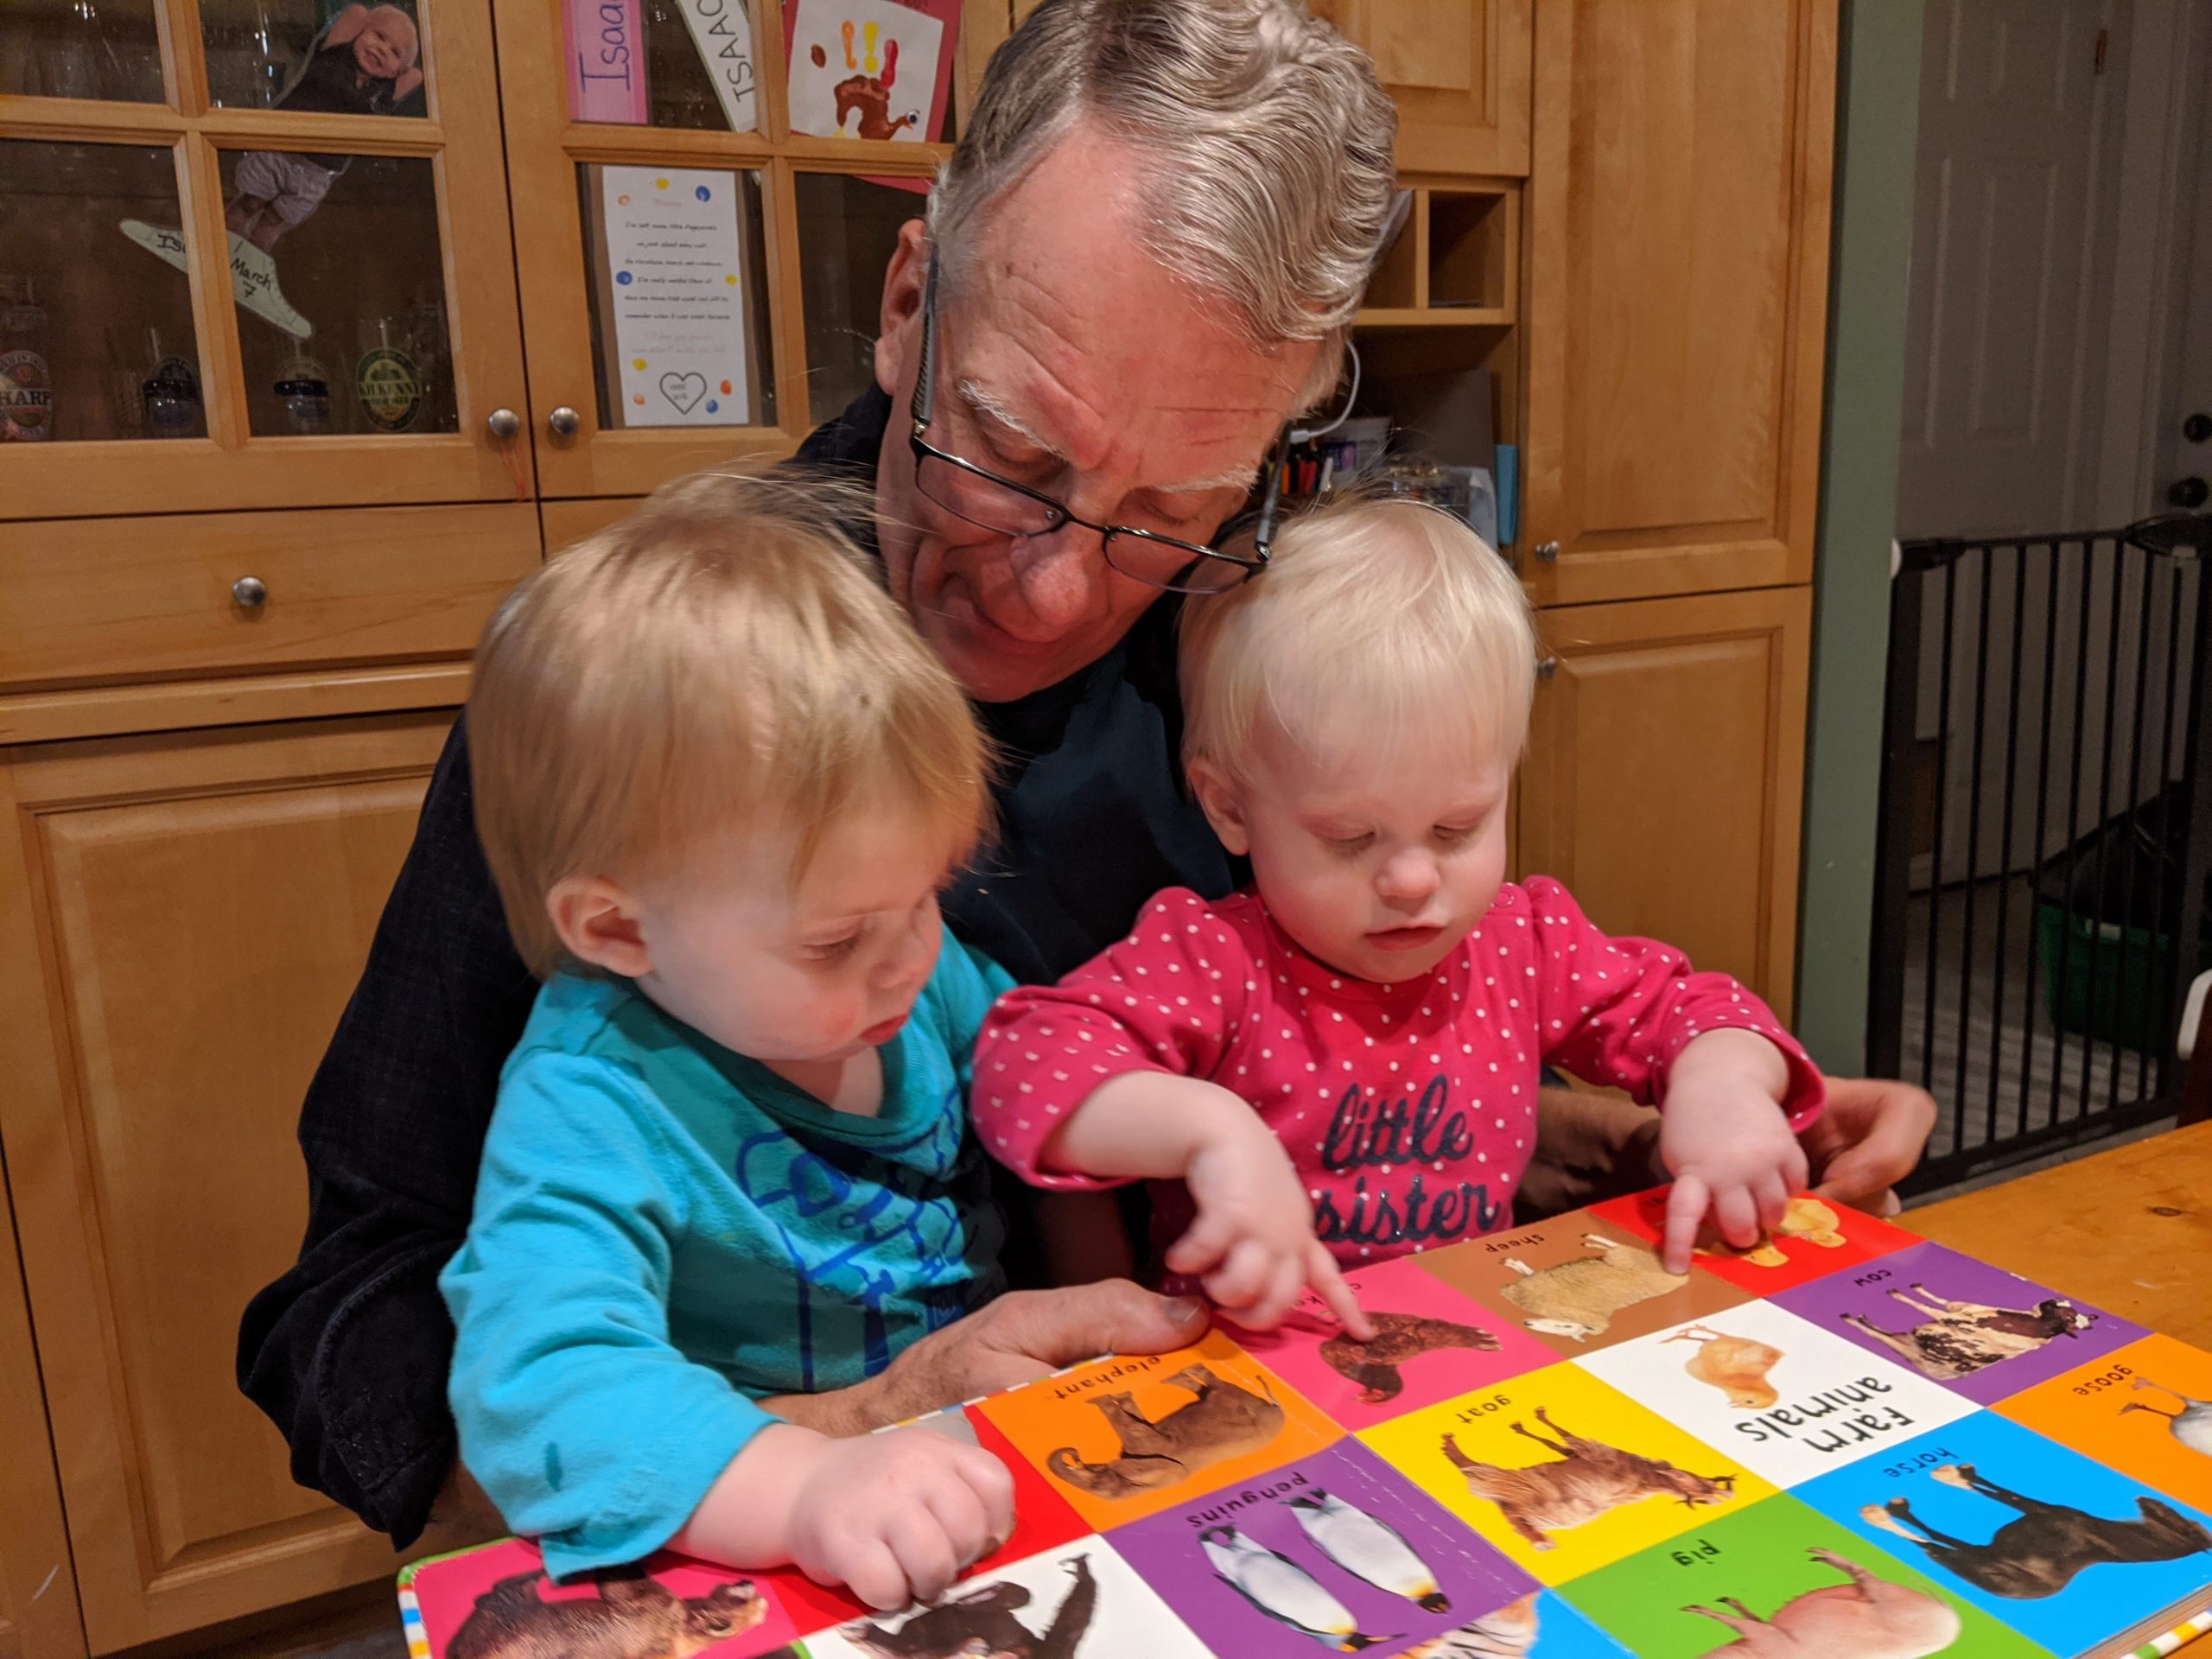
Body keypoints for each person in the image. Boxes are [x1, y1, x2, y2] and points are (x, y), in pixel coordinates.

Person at [238, 0, 1936, 1552]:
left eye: (1172, 514)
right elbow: (345, 1323)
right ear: (908, 305)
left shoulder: (1246, 661)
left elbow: (1304, 1041)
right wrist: (838, 1435)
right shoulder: (656, 707)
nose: (1056, 594)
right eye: (1009, 456)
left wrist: (1641, 1139)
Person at [976, 499, 1826, 1335]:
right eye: (1350, 837)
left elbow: (1695, 1009)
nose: (1415, 879)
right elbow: (1022, 1069)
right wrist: (1210, 1133)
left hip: (1473, 1344)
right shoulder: (1213, 958)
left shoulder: (1520, 941)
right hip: (1257, 1363)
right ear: (1228, 807)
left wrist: (1723, 1087)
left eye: (1458, 827)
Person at [441, 474, 1019, 1607]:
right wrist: (800, 1488)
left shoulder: (910, 962)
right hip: (746, 1522)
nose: (910, 958)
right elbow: (536, 1393)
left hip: (954, 1475)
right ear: (619, 930)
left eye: (929, 893)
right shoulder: (591, 1100)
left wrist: (1186, 1127)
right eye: (837, 939)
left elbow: (1035, 1065)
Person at [226, 4, 425, 251]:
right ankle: (220, 245)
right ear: (360, 31)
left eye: (394, 52)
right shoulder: (335, 53)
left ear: (398, 70)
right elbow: (356, 13)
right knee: (249, 204)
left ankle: (252, 261)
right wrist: (373, 32)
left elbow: (414, 76)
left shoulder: (382, 94)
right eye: (379, 36)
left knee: (273, 222)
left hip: (317, 173)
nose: (383, 49)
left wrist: (402, 65)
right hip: (281, 150)